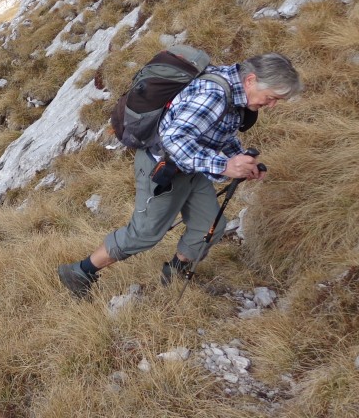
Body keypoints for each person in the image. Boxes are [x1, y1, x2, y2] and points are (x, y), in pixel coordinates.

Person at [57, 53, 302, 298]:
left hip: (193, 167)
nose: (271, 105)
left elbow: (220, 133)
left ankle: (175, 272)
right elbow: (173, 139)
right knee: (144, 234)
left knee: (209, 227)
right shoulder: (213, 95)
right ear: (251, 80)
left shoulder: (234, 92)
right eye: (271, 98)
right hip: (163, 169)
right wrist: (224, 166)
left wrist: (241, 160)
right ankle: (80, 271)